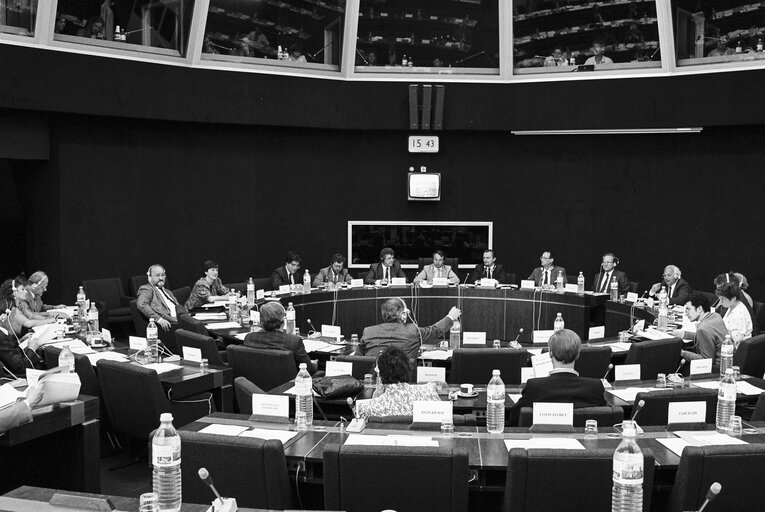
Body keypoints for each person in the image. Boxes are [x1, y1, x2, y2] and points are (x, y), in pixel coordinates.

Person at [508, 329, 606, 425]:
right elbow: (605, 418)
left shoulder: (534, 387)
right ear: (578, 354)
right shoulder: (595, 387)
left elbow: (515, 417)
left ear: (550, 353)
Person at [354, 346, 440, 420]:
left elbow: (361, 428)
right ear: (408, 368)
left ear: (380, 375)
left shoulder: (367, 408)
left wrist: (375, 398)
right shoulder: (430, 390)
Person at [358, 298, 461, 360]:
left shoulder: (368, 331)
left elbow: (357, 358)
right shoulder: (413, 331)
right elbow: (435, 331)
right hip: (405, 382)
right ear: (403, 315)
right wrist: (451, 317)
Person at [243, 302, 317, 374]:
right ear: (283, 321)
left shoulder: (249, 338)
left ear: (261, 322)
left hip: (253, 384)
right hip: (287, 385)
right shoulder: (293, 341)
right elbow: (308, 370)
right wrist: (315, 364)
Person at [672, 292, 728, 373]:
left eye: (688, 309)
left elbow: (706, 360)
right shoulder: (715, 316)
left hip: (716, 370)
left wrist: (682, 353)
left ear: (699, 309)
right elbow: (708, 338)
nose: (686, 313)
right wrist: (684, 334)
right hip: (726, 364)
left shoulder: (703, 328)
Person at [0, 279, 48, 374]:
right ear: (5, 316)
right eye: (15, 314)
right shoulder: (2, 337)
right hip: (21, 377)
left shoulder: (4, 333)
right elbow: (20, 367)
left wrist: (21, 341)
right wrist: (31, 349)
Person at [136, 264, 188, 332]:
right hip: (172, 324)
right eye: (157, 275)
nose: (161, 278)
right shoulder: (147, 289)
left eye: (163, 275)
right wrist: (159, 319)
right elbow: (142, 304)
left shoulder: (168, 292)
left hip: (182, 318)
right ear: (150, 277)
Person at [714, 272, 752, 345]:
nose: (720, 302)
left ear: (733, 298)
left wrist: (716, 331)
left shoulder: (739, 313)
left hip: (733, 349)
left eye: (723, 299)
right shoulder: (731, 306)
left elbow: (736, 338)